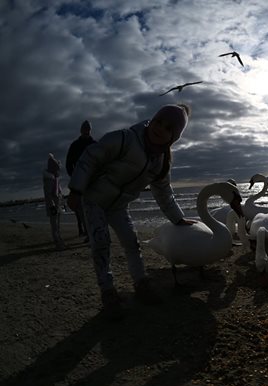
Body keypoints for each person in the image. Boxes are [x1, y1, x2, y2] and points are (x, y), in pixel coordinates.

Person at [67, 104, 197, 319]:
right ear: (152, 120)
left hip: (118, 206)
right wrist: (76, 190)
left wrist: (178, 218)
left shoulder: (161, 162)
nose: (160, 128)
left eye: (168, 128)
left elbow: (163, 191)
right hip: (94, 200)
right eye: (158, 122)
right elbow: (91, 156)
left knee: (132, 242)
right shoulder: (125, 139)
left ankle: (141, 284)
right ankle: (108, 292)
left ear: (173, 138)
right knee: (101, 243)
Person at [66, 120, 96, 240]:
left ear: (90, 130)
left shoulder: (95, 144)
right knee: (83, 210)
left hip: (94, 182)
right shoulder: (75, 145)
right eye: (84, 129)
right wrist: (76, 179)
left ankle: (95, 232)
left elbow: (102, 162)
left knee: (96, 208)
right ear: (81, 130)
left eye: (88, 129)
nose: (86, 131)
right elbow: (69, 164)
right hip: (81, 184)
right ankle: (89, 234)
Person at [43, 153, 66, 250]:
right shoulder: (49, 179)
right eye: (57, 168)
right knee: (55, 225)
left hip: (57, 204)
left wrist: (62, 204)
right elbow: (48, 194)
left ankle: (59, 241)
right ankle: (58, 243)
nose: (58, 170)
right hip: (53, 206)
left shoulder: (55, 178)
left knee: (57, 225)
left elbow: (59, 193)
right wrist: (52, 205)